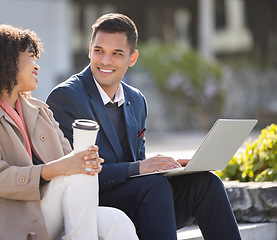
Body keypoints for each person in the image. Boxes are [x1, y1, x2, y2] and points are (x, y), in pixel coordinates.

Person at [46, 13, 242, 240]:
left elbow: (138, 162)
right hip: (90, 198)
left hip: (136, 196)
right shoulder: (66, 97)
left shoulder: (136, 100)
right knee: (154, 186)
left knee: (206, 183)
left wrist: (168, 168)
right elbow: (72, 172)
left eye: (117, 54)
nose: (105, 61)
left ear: (132, 58)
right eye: (99, 51)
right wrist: (138, 169)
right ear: (90, 50)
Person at [0, 24, 138, 240]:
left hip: (49, 211)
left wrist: (87, 160)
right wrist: (53, 170)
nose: (37, 66)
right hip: (9, 221)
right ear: (5, 64)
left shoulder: (40, 111)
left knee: (118, 221)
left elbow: (68, 160)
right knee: (78, 173)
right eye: (31, 57)